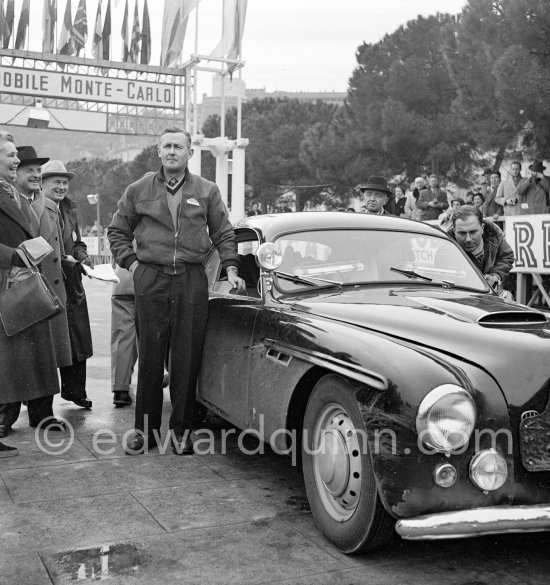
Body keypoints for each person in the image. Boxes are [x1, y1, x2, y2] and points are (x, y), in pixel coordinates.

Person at [108, 127, 244, 456]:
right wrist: (135, 266)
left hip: (191, 278)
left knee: (186, 357)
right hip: (151, 278)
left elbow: (224, 233)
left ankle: (182, 431)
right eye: (166, 146)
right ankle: (145, 431)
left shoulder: (207, 190)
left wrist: (232, 268)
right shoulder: (138, 189)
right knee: (151, 357)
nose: (172, 151)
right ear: (159, 151)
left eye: (178, 147)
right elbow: (117, 231)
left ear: (189, 153)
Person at [0, 147, 73, 438]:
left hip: (33, 284)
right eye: (26, 168)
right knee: (13, 355)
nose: (34, 174)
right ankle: (5, 417)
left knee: (39, 354)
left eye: (37, 170)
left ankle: (42, 414)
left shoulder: (26, 200)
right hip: (11, 283)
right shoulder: (15, 199)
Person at [42, 160, 93, 410]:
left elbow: (78, 243)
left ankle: (75, 392)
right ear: (42, 185)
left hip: (72, 283)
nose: (62, 187)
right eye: (56, 182)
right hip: (51, 283)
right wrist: (67, 260)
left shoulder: (70, 210)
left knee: (77, 341)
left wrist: (83, 257)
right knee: (52, 344)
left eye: (65, 183)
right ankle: (41, 405)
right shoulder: (38, 209)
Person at [448, 205, 514, 292]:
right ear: (454, 231)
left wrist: (496, 275)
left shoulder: (495, 237)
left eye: (473, 232)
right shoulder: (446, 247)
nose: (468, 239)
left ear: (482, 228)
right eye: (462, 233)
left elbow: (507, 256)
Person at [111, 262, 138, 407]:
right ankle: (153, 383)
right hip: (149, 280)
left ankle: (120, 389)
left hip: (122, 280)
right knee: (150, 335)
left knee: (123, 336)